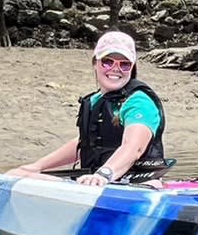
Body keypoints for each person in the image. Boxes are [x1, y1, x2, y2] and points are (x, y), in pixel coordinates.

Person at [10, 31, 167, 187]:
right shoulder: (95, 101)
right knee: (22, 175)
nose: (115, 69)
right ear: (95, 63)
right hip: (98, 182)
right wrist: (36, 166)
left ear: (132, 68)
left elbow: (134, 147)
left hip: (138, 185)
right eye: (107, 62)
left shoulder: (140, 102)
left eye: (124, 64)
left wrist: (104, 174)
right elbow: (84, 144)